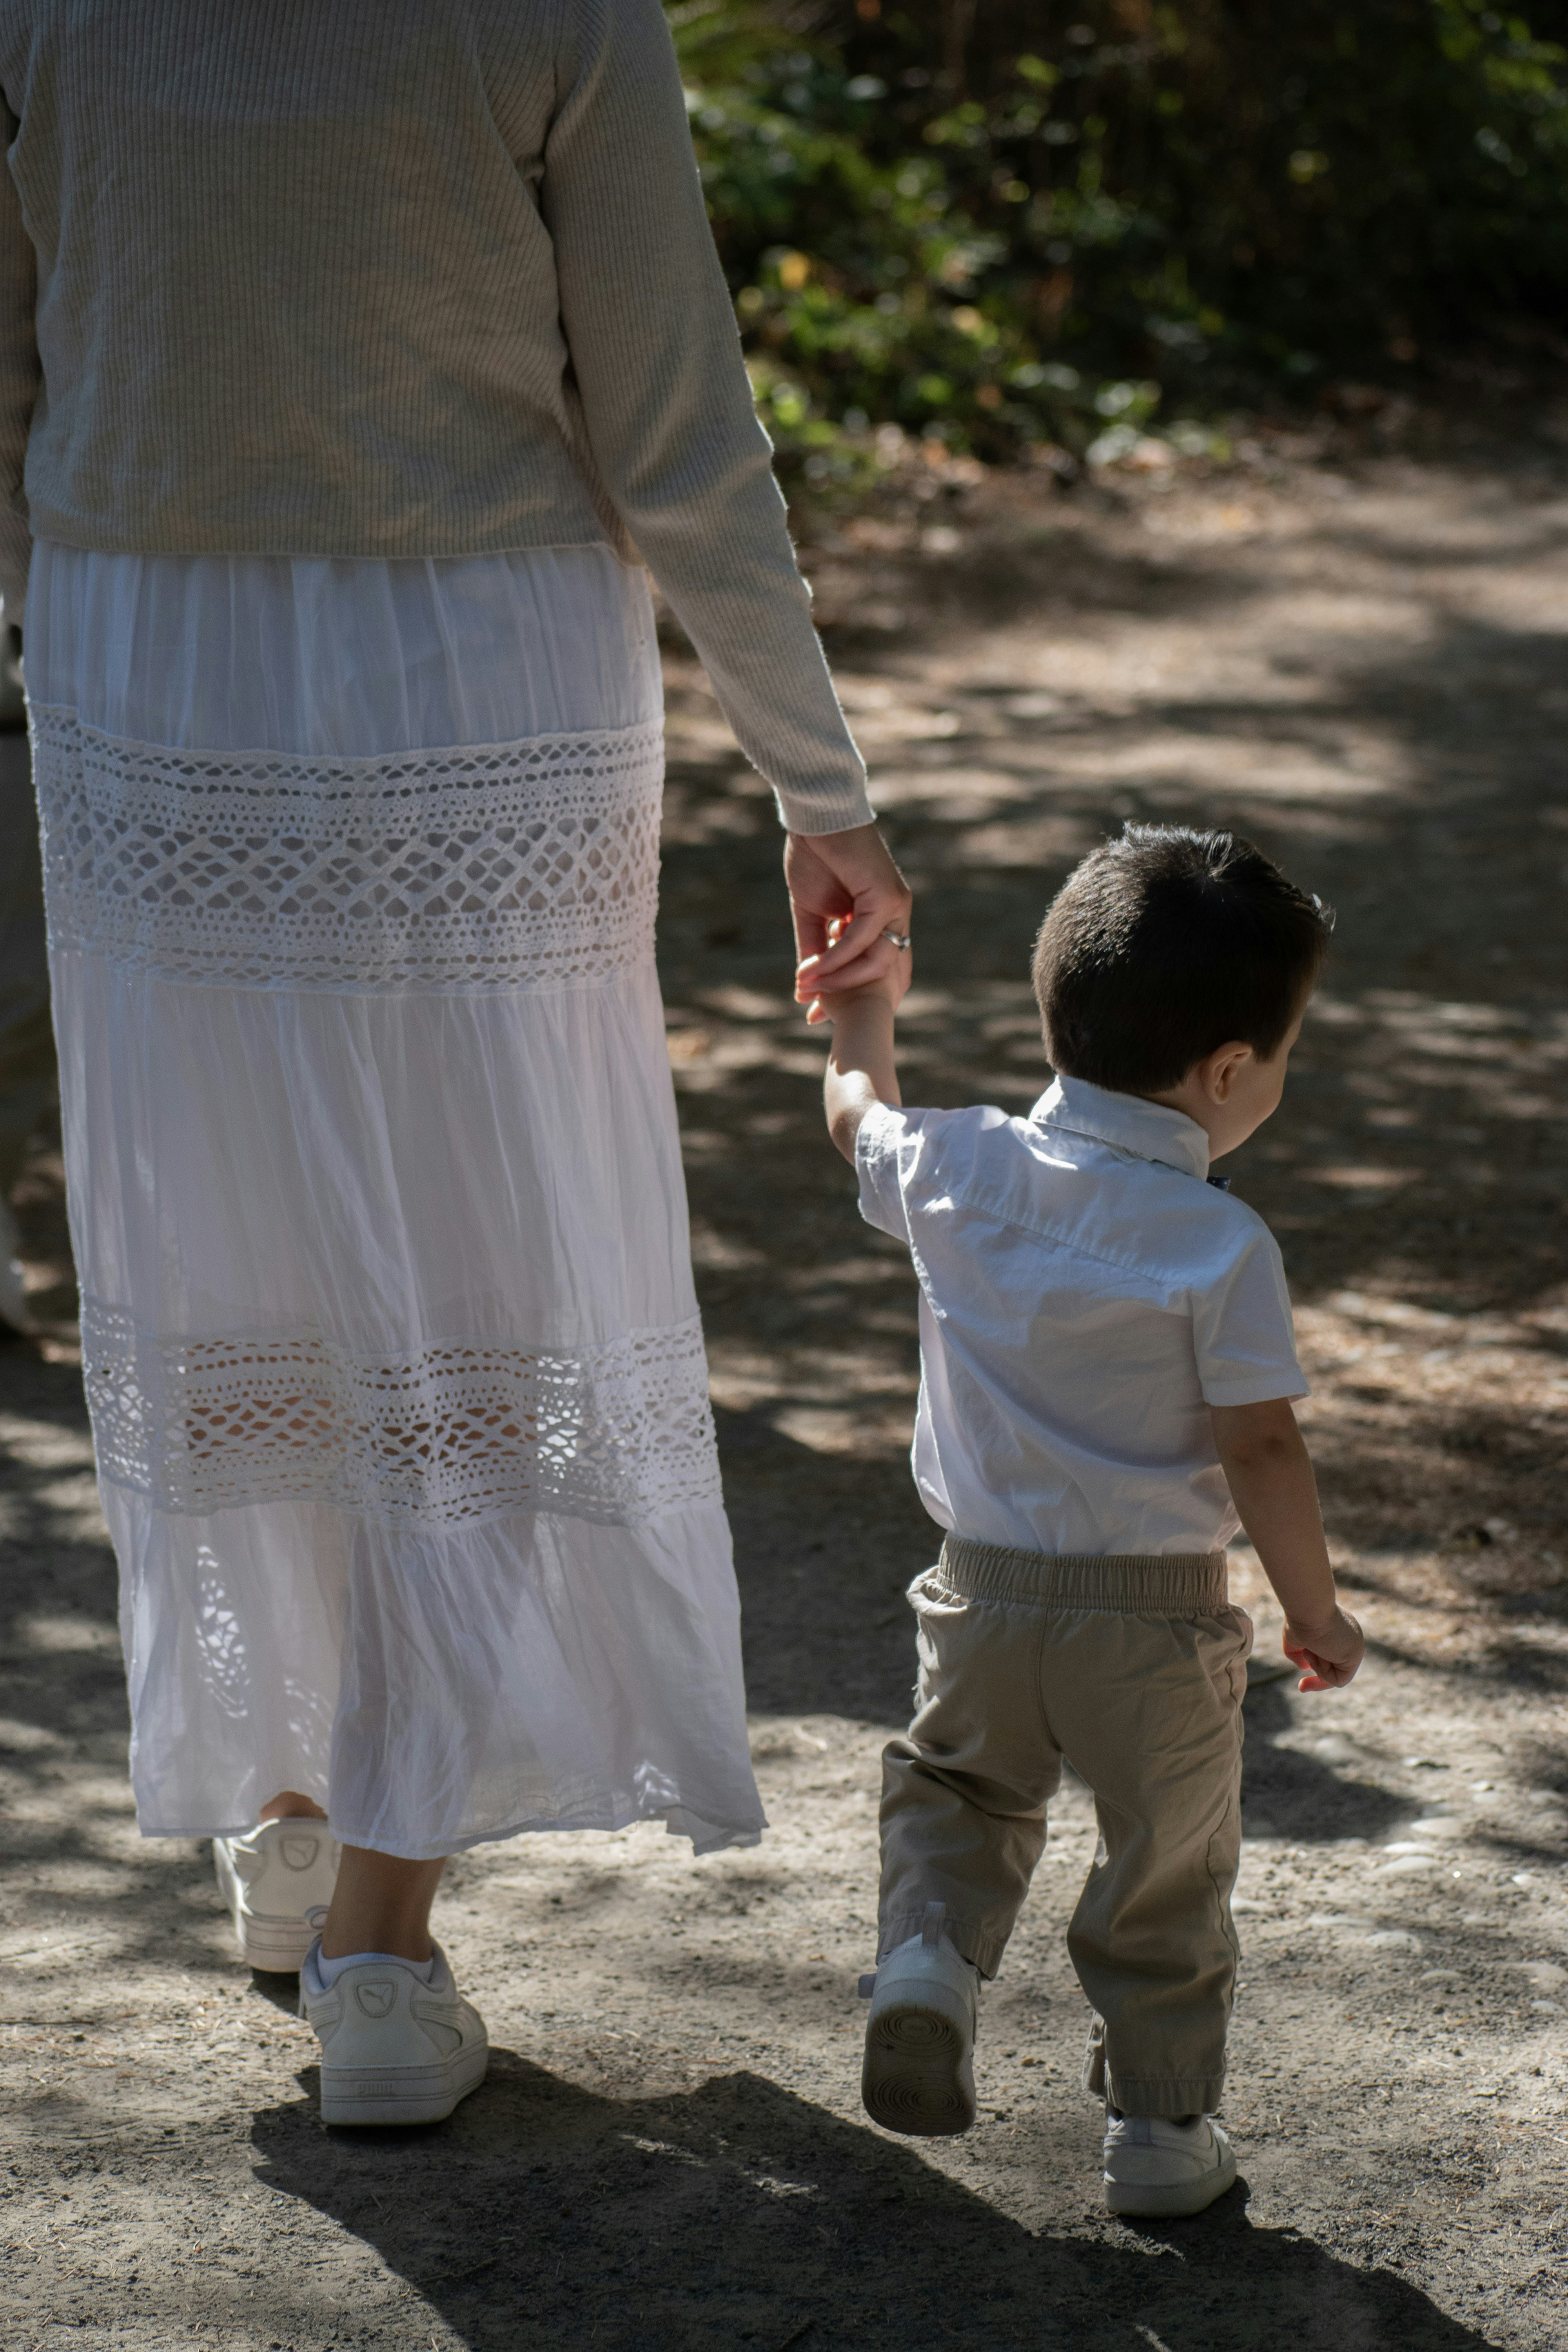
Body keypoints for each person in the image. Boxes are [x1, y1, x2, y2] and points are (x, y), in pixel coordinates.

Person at [0, 0, 909, 2126]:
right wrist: (823, 782)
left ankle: (306, 1812)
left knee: (226, 1234)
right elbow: (678, 427)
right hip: (469, 645)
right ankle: (376, 1917)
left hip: (151, 641)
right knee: (483, 1274)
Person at [817, 824, 1363, 2218]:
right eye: (1284, 1058)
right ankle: (1164, 2136)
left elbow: (853, 1112)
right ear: (1230, 1071)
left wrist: (865, 997)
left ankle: (930, 1965)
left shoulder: (958, 1166)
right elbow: (1261, 1444)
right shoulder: (1218, 1246)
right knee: (1165, 1867)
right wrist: (1312, 1607)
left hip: (983, 1592)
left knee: (958, 1794)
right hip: (1158, 1621)